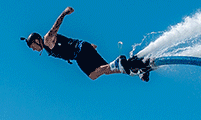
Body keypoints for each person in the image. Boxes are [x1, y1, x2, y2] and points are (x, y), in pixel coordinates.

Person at [24, 7, 152, 81]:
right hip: (84, 48)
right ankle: (137, 67)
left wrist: (64, 13)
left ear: (36, 40)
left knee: (93, 74)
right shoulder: (47, 46)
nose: (34, 50)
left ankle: (123, 65)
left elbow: (55, 27)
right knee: (107, 69)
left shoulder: (47, 39)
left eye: (33, 47)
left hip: (80, 53)